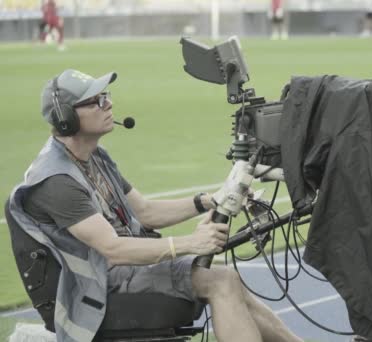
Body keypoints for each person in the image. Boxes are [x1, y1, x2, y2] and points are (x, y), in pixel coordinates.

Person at [8, 69, 303, 342]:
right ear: (66, 119)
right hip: (93, 290)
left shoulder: (94, 157)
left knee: (229, 279)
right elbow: (113, 249)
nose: (108, 104)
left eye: (106, 97)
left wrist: (208, 201)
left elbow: (145, 211)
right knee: (222, 282)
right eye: (96, 101)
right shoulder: (57, 180)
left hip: (114, 274)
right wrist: (191, 243)